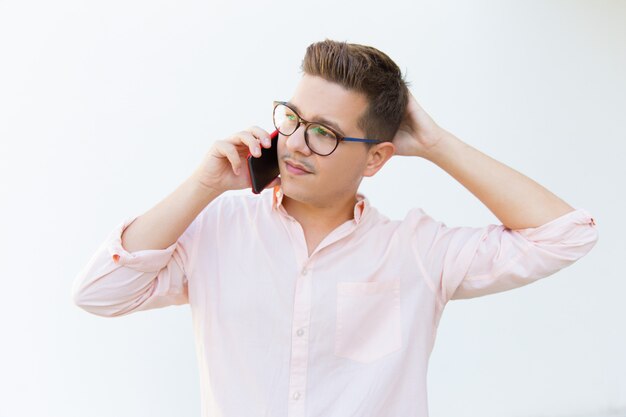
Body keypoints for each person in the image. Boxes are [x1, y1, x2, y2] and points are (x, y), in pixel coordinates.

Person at [72, 39, 599, 417]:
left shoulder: (415, 249)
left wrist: (437, 145)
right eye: (293, 118)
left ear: (376, 160)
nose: (297, 142)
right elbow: (99, 293)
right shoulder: (217, 229)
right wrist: (202, 186)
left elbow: (566, 234)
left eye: (325, 132)